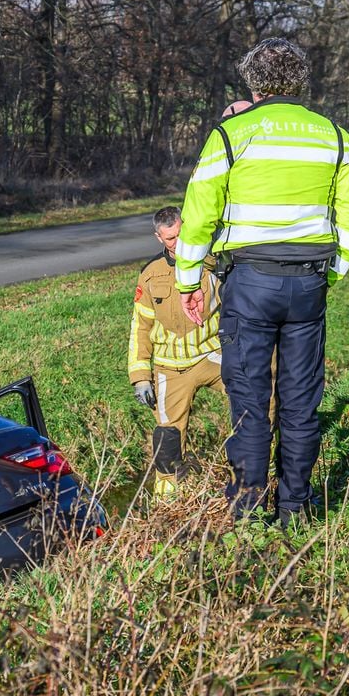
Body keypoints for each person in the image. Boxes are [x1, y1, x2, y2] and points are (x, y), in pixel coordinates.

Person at [175, 37, 349, 526]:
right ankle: (294, 508)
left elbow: (198, 215)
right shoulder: (335, 136)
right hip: (309, 285)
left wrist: (188, 282)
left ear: (252, 82)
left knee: (249, 399)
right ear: (300, 80)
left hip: (249, 282)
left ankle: (247, 508)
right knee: (302, 402)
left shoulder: (231, 134)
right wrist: (334, 273)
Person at [128, 206, 224, 497]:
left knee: (256, 397)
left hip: (212, 354)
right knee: (167, 439)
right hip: (171, 366)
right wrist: (141, 377)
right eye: (170, 238)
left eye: (182, 234)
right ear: (159, 238)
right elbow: (140, 327)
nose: (178, 242)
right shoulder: (150, 274)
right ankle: (168, 503)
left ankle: (253, 474)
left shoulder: (212, 262)